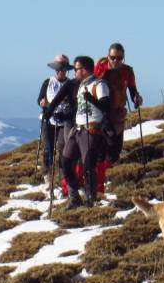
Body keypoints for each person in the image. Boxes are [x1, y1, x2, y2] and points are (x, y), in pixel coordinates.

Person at [61, 55, 111, 207]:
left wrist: (91, 99)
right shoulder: (82, 85)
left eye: (76, 69)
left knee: (88, 165)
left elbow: (105, 106)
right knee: (66, 161)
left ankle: (90, 199)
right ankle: (75, 195)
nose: (74, 72)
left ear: (84, 69)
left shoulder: (100, 85)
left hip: (91, 129)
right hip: (78, 129)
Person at [94, 42, 143, 163]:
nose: (116, 60)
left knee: (116, 148)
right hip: (101, 114)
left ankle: (108, 172)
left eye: (119, 58)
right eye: (113, 57)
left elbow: (132, 91)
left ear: (123, 58)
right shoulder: (100, 67)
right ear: (108, 56)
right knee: (105, 147)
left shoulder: (127, 71)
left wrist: (137, 99)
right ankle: (101, 174)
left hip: (118, 115)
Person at [37, 54, 74, 186]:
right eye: (59, 69)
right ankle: (47, 175)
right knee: (47, 148)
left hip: (64, 121)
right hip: (49, 120)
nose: (61, 71)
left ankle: (62, 176)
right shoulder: (48, 82)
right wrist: (42, 103)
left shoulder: (71, 85)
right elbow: (40, 98)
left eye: (63, 69)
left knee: (62, 148)